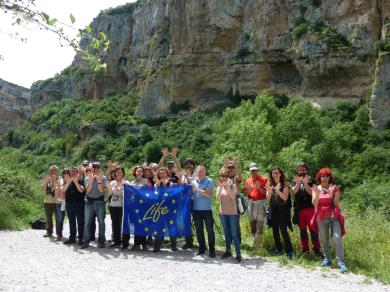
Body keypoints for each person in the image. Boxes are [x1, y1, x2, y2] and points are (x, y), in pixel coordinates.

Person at [312, 167, 348, 273]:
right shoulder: (316, 188)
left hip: (334, 216)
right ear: (320, 177)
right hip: (321, 217)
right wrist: (318, 193)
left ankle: (341, 262)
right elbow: (314, 203)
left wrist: (331, 194)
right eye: (323, 175)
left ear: (330, 177)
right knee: (324, 239)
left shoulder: (334, 188)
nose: (325, 177)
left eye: (327, 175)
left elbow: (336, 204)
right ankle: (327, 259)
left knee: (337, 238)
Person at [291, 162, 321, 256]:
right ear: (297, 170)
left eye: (303, 169)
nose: (301, 171)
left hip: (310, 209)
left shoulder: (312, 181)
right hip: (299, 210)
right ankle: (305, 250)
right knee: (302, 231)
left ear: (307, 170)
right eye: (300, 169)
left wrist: (305, 184)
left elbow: (312, 193)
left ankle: (317, 249)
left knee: (313, 230)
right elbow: (293, 191)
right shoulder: (295, 180)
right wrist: (299, 183)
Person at [266, 166, 293, 259]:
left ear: (280, 174)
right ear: (271, 174)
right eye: (273, 173)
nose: (275, 174)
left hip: (283, 210)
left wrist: (277, 191)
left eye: (277, 173)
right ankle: (279, 249)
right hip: (273, 210)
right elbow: (268, 199)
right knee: (275, 230)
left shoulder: (284, 185)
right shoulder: (270, 184)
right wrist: (269, 191)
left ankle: (289, 250)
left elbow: (285, 198)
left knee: (283, 230)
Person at [216, 168, 241, 262]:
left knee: (234, 234)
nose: (224, 177)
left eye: (226, 175)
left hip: (232, 213)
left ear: (228, 176)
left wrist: (227, 187)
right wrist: (222, 187)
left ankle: (238, 253)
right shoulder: (219, 187)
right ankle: (228, 250)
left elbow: (233, 197)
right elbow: (218, 199)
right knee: (226, 233)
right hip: (223, 213)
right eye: (222, 176)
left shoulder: (233, 185)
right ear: (220, 177)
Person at [81, 162, 108, 249]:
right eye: (94, 167)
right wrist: (91, 180)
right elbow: (88, 190)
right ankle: (86, 241)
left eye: (97, 167)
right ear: (91, 168)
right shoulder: (87, 177)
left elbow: (101, 191)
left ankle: (101, 241)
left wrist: (99, 181)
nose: (95, 169)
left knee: (101, 222)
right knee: (87, 222)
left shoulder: (103, 178)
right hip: (89, 202)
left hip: (99, 202)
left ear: (99, 168)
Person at [191, 165, 216, 258]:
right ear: (196, 172)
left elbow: (207, 194)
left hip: (207, 210)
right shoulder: (193, 182)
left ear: (205, 172)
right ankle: (202, 248)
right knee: (199, 231)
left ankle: (212, 250)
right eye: (199, 171)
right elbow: (190, 195)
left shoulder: (209, 181)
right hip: (196, 210)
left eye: (202, 171)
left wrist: (196, 189)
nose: (200, 173)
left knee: (210, 230)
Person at [123, 166, 149, 251]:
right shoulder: (132, 182)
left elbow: (140, 189)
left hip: (142, 206)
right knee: (136, 225)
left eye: (141, 171)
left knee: (143, 225)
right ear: (135, 172)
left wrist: (130, 186)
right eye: (138, 171)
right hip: (134, 206)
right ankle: (136, 244)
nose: (139, 173)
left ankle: (144, 245)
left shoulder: (145, 181)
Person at [152, 168, 178, 252]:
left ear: (167, 174)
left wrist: (165, 185)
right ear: (159, 175)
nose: (162, 175)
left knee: (171, 226)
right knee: (159, 226)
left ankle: (173, 245)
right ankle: (157, 246)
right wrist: (161, 185)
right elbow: (157, 194)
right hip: (160, 208)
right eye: (161, 174)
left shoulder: (171, 183)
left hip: (170, 208)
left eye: (164, 173)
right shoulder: (157, 184)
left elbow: (170, 194)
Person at [243, 163, 267, 250]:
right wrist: (248, 191)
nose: (253, 172)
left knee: (259, 225)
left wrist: (259, 189)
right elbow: (245, 194)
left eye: (255, 170)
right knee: (252, 225)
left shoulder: (264, 179)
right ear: (250, 171)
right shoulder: (248, 180)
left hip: (260, 203)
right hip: (250, 203)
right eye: (252, 170)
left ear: (258, 170)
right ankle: (256, 243)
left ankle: (256, 246)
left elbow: (267, 194)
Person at [62, 167, 85, 245]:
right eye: (72, 171)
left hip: (79, 204)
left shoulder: (81, 180)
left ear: (78, 172)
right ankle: (72, 238)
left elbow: (81, 190)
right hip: (69, 204)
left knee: (80, 222)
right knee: (71, 221)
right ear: (70, 173)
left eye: (75, 171)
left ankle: (81, 239)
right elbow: (63, 190)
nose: (74, 172)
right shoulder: (67, 181)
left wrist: (76, 182)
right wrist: (69, 182)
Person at [107, 166, 129, 248]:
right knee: (115, 224)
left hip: (122, 206)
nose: (119, 173)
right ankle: (117, 241)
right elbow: (109, 195)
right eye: (117, 172)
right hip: (113, 205)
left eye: (120, 172)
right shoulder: (112, 182)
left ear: (123, 173)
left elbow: (125, 195)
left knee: (122, 224)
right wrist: (110, 189)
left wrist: (118, 189)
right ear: (115, 173)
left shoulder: (126, 183)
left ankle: (125, 243)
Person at [224, 157, 243, 242]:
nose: (231, 169)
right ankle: (230, 240)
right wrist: (225, 165)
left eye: (232, 168)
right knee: (227, 222)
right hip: (226, 203)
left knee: (236, 222)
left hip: (236, 202)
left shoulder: (236, 178)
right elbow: (221, 173)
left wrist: (236, 166)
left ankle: (238, 240)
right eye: (229, 168)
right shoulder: (224, 178)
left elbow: (240, 177)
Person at [180, 157, 196, 249]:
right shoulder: (183, 175)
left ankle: (202, 242)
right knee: (186, 221)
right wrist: (185, 177)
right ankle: (188, 241)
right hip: (186, 201)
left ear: (193, 165)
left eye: (190, 163)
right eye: (187, 164)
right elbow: (182, 185)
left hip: (196, 200)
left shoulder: (197, 174)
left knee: (198, 221)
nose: (189, 165)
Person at [42, 165, 61, 238]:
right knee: (48, 218)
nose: (52, 171)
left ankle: (58, 233)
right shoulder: (47, 179)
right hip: (47, 201)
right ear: (49, 171)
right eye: (51, 170)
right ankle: (49, 232)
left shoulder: (60, 179)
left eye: (54, 170)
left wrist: (55, 181)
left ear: (57, 171)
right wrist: (46, 181)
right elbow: (43, 189)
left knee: (58, 218)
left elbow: (60, 189)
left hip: (57, 202)